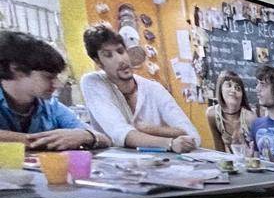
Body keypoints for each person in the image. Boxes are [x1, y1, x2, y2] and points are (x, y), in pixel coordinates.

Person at [79, 23, 200, 152]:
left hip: (158, 162)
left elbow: (193, 136)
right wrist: (170, 143)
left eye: (120, 51)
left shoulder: (154, 89)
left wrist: (149, 129)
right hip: (116, 163)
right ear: (98, 62)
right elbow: (120, 133)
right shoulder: (93, 82)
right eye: (108, 55)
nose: (120, 60)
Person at [0, 29, 106, 151]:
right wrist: (39, 141)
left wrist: (86, 136)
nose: (58, 84)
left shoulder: (50, 106)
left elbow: (103, 138)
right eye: (48, 77)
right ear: (16, 69)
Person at [205, 70, 257, 151]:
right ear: (220, 89)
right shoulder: (212, 114)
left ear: (242, 95)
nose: (233, 90)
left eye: (238, 88)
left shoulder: (250, 117)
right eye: (229, 85)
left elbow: (259, 151)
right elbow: (219, 149)